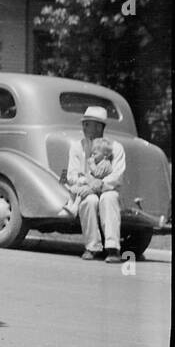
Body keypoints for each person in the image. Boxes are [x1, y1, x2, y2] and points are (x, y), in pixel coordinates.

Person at [65, 106, 125, 263]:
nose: (83, 127)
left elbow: (117, 175)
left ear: (99, 126)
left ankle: (113, 248)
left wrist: (98, 185)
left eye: (87, 123)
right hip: (85, 189)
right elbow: (71, 175)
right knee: (89, 201)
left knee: (109, 198)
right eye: (83, 123)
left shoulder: (115, 147)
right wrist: (84, 183)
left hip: (107, 188)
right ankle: (92, 247)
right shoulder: (77, 146)